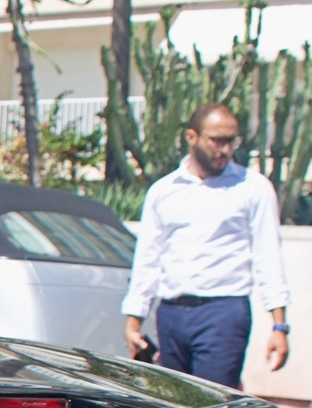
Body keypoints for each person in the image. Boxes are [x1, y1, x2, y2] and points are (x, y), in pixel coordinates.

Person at [121, 102, 291, 389]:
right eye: (216, 140)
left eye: (230, 141)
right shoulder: (163, 191)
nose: (224, 150)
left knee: (210, 405)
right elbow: (148, 258)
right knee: (173, 404)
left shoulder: (253, 187)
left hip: (223, 312)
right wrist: (134, 320)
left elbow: (269, 256)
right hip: (172, 313)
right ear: (192, 137)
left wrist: (279, 326)